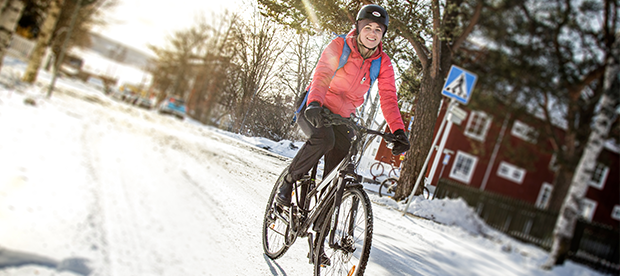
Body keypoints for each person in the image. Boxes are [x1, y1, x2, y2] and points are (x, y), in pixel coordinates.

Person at [276, 4, 410, 207]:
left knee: (342, 154)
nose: (372, 33)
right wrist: (314, 103)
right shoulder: (339, 45)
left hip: (342, 117)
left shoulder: (383, 63)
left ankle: (323, 212)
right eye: (368, 27)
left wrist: (398, 130)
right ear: (358, 27)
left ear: (383, 34)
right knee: (323, 139)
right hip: (314, 105)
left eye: (378, 29)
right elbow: (322, 75)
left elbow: (389, 98)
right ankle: (288, 181)